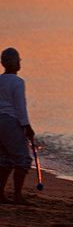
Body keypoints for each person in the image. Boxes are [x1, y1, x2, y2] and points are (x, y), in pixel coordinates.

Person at [0, 48, 35, 205]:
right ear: (17, 64)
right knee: (22, 159)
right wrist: (27, 127)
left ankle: (1, 195)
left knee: (4, 159)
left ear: (2, 63)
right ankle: (17, 196)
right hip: (11, 122)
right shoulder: (18, 82)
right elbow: (20, 107)